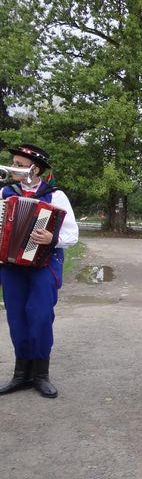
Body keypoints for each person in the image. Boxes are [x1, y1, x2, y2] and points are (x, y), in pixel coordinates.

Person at [0, 144, 78, 399]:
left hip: (43, 266)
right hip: (11, 266)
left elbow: (72, 234)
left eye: (19, 165)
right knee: (16, 318)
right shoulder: (5, 193)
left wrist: (51, 239)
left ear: (35, 170)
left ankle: (41, 375)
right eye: (14, 163)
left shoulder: (55, 196)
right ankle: (21, 374)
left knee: (41, 317)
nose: (13, 168)